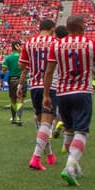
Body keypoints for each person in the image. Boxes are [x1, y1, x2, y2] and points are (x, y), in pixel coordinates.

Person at [42, 15, 95, 186]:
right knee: (81, 131)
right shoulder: (91, 45)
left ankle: (74, 167)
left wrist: (47, 95)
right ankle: (69, 166)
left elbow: (49, 72)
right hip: (82, 92)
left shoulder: (57, 44)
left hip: (62, 93)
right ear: (83, 26)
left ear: (67, 28)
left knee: (68, 130)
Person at [22, 19, 59, 169]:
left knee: (41, 121)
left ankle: (49, 154)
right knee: (47, 122)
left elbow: (22, 64)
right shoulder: (55, 42)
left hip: (34, 85)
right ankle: (36, 158)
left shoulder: (29, 42)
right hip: (50, 85)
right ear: (52, 29)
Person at [0, 41, 24, 125]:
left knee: (13, 99)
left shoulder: (8, 58)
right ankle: (18, 118)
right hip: (22, 80)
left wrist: (1, 81)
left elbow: (3, 71)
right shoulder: (23, 57)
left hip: (12, 80)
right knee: (20, 99)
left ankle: (13, 118)